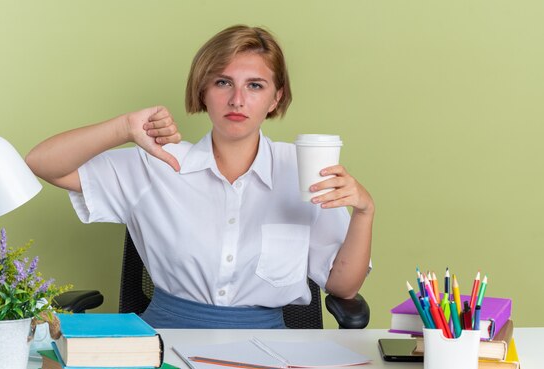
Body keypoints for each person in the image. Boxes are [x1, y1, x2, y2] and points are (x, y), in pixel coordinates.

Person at [26, 25, 374, 329]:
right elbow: (42, 163)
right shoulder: (158, 162)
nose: (237, 100)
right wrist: (124, 127)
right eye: (223, 82)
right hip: (164, 341)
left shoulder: (305, 170)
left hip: (267, 351)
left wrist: (364, 211)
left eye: (255, 86)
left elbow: (342, 287)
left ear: (275, 97)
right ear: (203, 91)